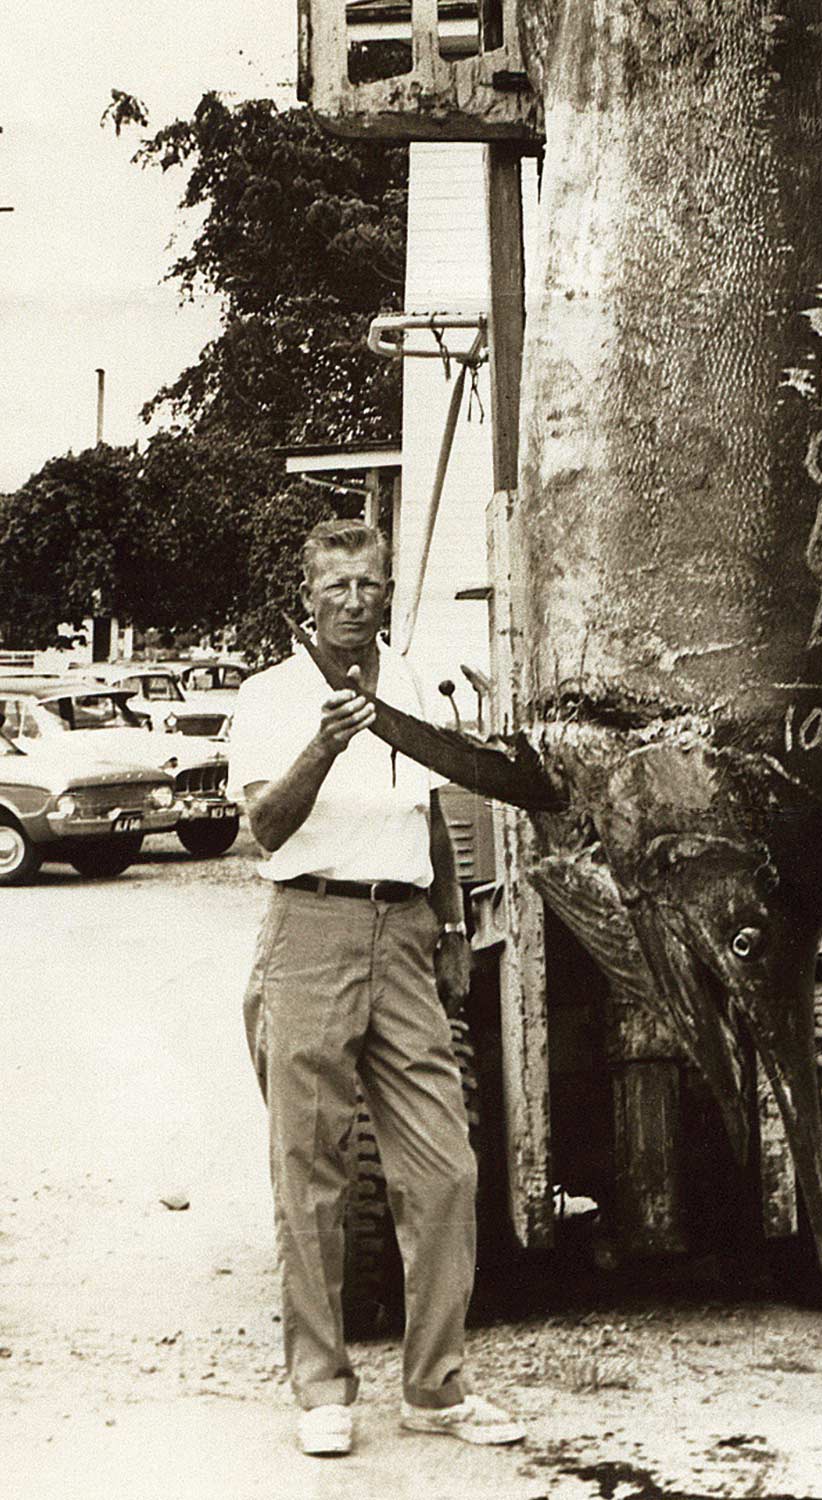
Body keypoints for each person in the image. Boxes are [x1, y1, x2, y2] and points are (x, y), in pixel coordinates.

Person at [230, 519, 523, 1457]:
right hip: (309, 928)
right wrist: (320, 747)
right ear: (305, 598)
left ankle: (435, 1387)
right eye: (336, 589)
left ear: (384, 590)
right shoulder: (270, 696)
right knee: (310, 1175)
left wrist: (447, 923)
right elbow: (267, 830)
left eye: (368, 585)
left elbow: (429, 809)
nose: (354, 602)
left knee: (445, 1169)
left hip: (404, 932)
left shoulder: (405, 681)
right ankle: (322, 1388)